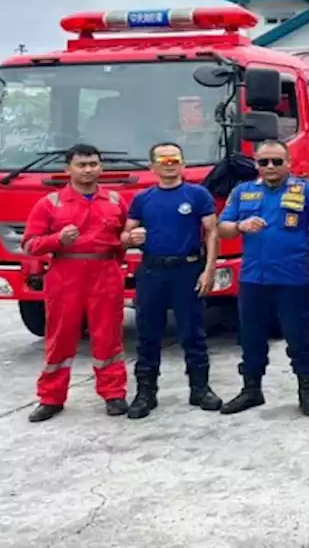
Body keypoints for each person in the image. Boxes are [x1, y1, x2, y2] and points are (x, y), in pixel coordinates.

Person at [21, 144, 131, 422]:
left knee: (109, 336)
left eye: (93, 164)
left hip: (105, 272)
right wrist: (57, 240)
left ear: (101, 167)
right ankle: (51, 398)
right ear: (68, 168)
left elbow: (125, 238)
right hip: (65, 273)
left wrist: (128, 243)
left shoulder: (116, 201)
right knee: (60, 337)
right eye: (81, 165)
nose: (88, 170)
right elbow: (30, 245)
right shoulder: (50, 203)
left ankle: (114, 394)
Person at [216, 140, 309, 416]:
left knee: (299, 336)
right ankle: (251, 389)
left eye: (277, 161)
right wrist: (240, 225)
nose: (270, 167)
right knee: (251, 337)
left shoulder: (308, 191)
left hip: (293, 277)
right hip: (253, 278)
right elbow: (222, 227)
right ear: (256, 164)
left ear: (289, 162)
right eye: (264, 162)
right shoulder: (242, 192)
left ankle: (306, 389)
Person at [120, 142, 223, 419]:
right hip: (152, 272)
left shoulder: (198, 195)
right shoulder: (143, 199)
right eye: (163, 160)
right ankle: (145, 393)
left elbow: (212, 233)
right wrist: (131, 238)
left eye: (174, 158)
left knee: (193, 333)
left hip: (187, 270)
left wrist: (209, 270)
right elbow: (125, 234)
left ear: (183, 163)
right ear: (152, 167)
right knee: (148, 335)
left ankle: (200, 389)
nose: (169, 164)